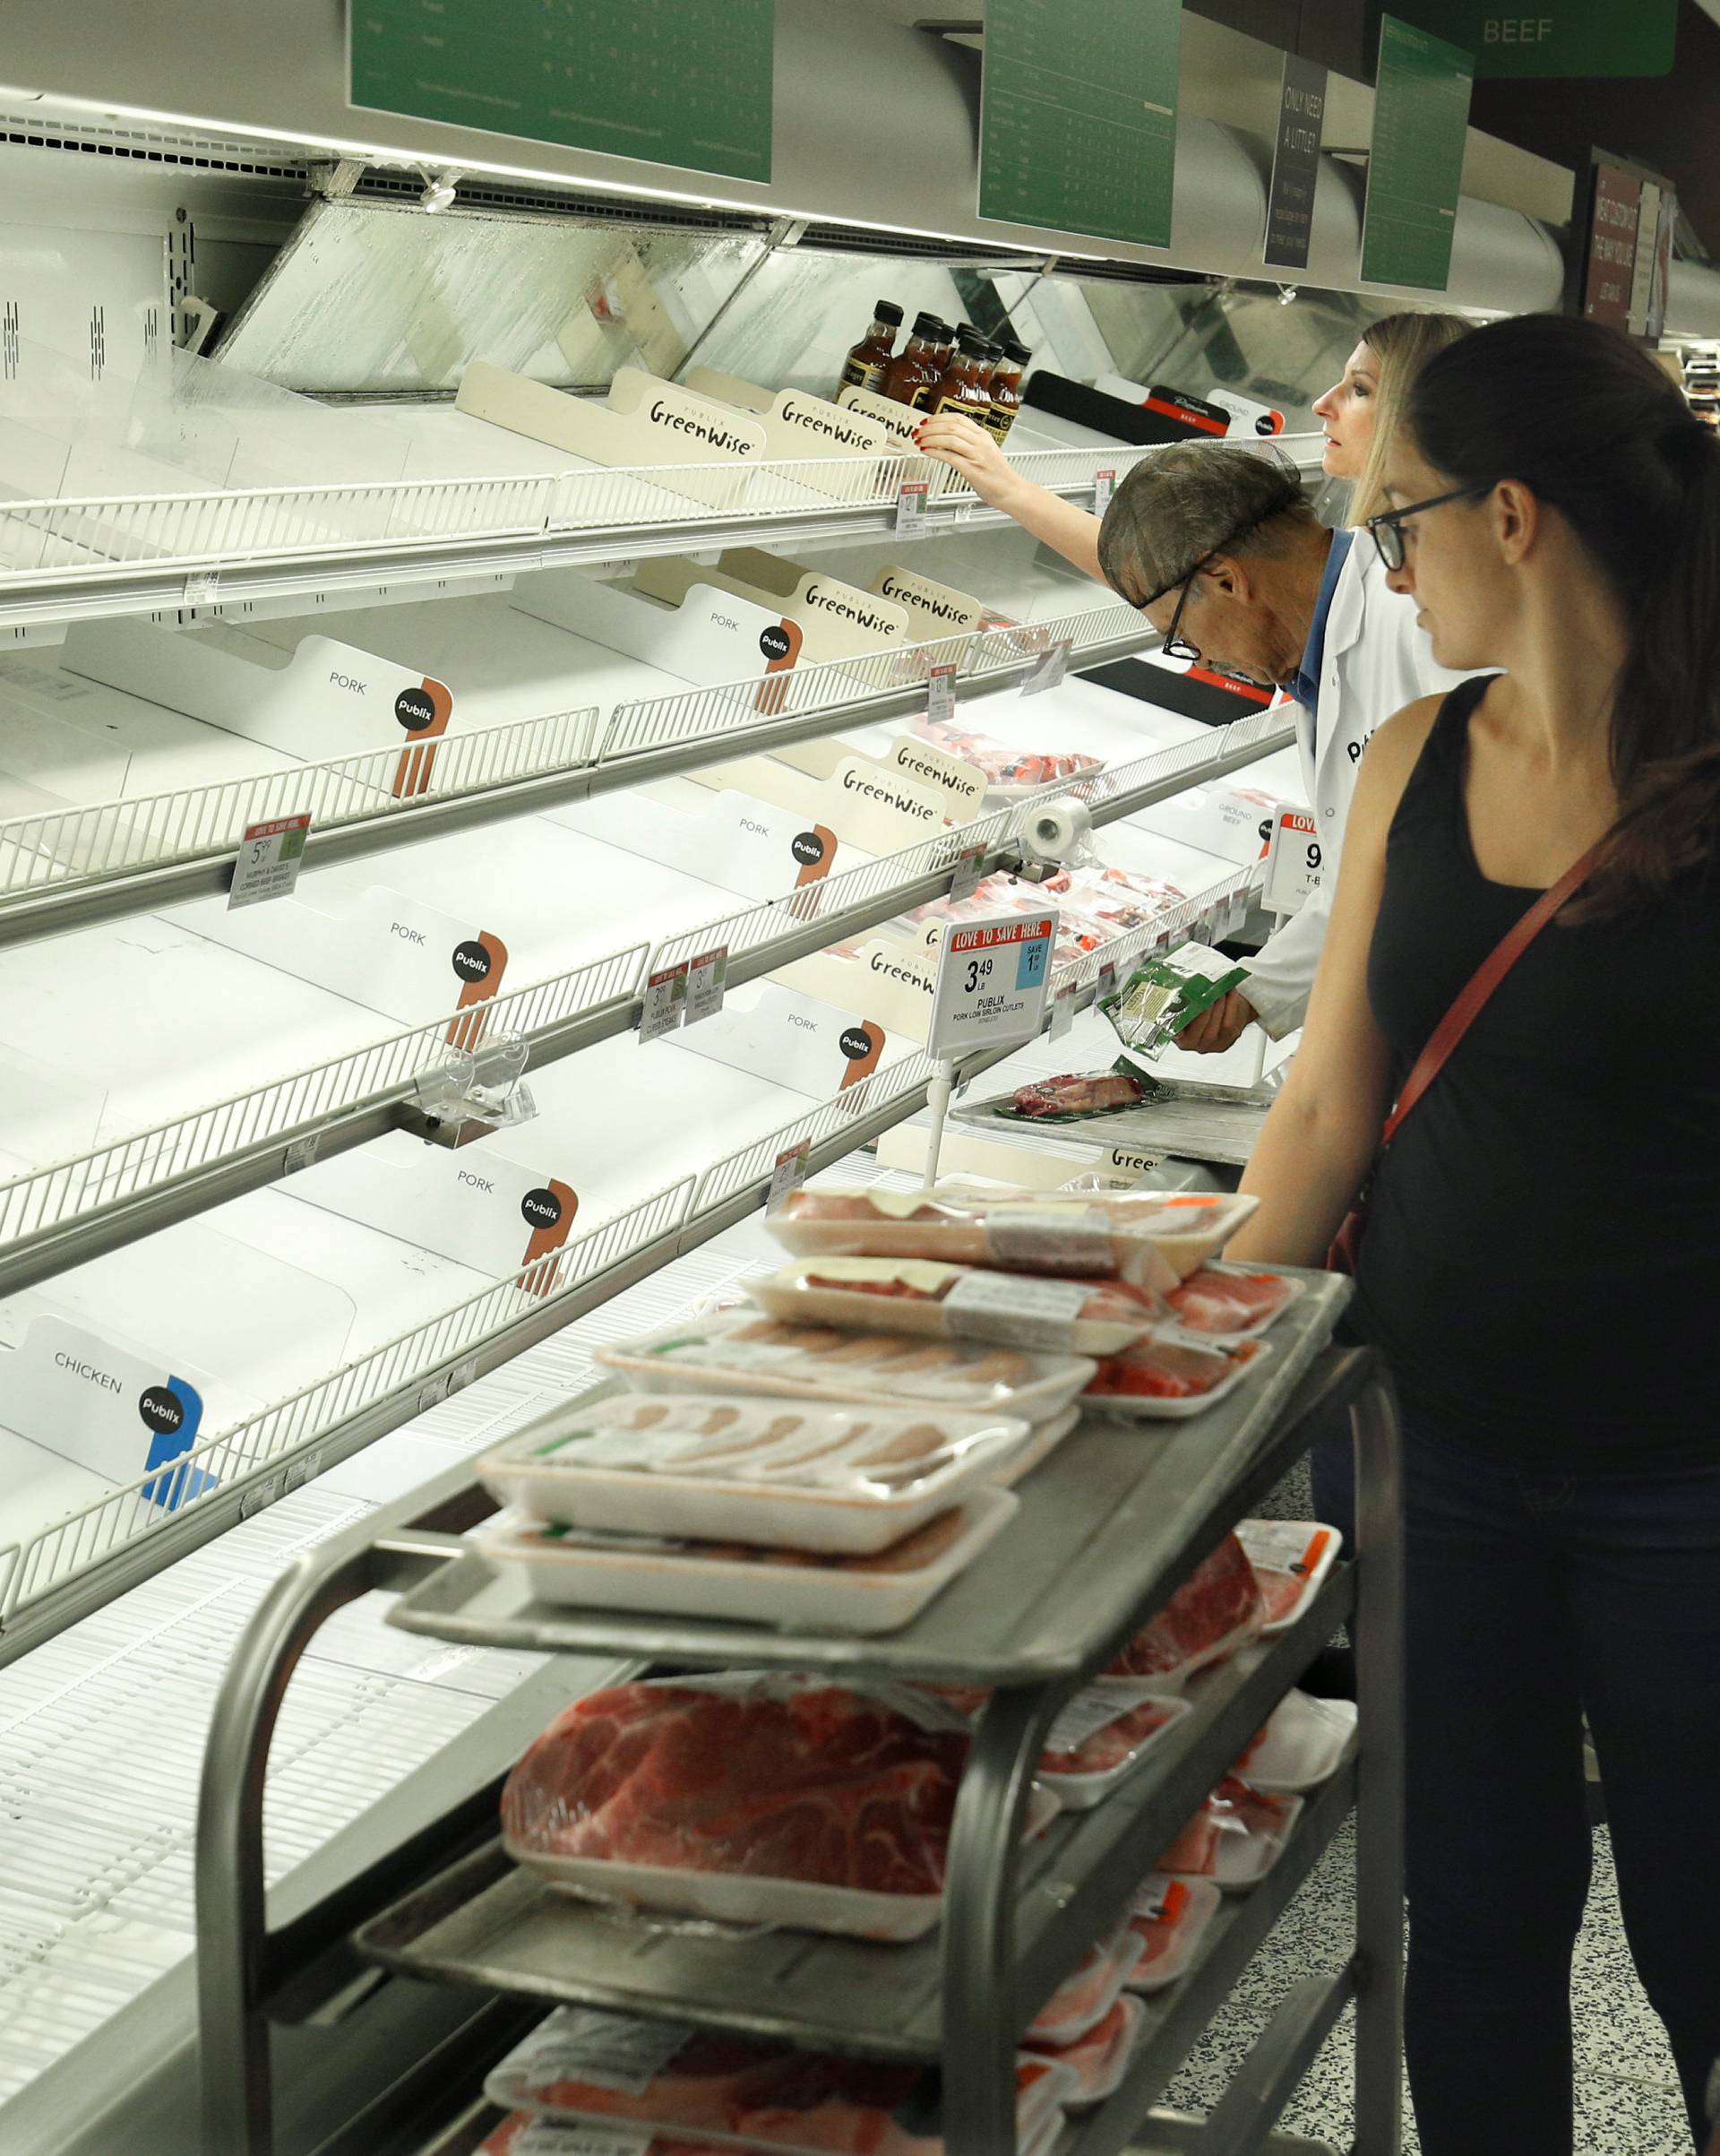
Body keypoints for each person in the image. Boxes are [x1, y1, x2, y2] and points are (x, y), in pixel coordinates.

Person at [1225, 313, 1720, 2155]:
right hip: (1433, 1459)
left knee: (1709, 1943)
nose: (1384, 560)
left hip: (1696, 1478)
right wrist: (1144, 1359)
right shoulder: (1413, 758)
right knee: (1478, 1927)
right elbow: (1325, 1111)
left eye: (1399, 517)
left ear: (1512, 518)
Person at [913, 314, 1469, 1056]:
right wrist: (1012, 490)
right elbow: (1369, 868)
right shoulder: (1330, 600)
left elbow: (1416, 875)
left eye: (1362, 389)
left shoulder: (1426, 620)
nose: (1324, 404)